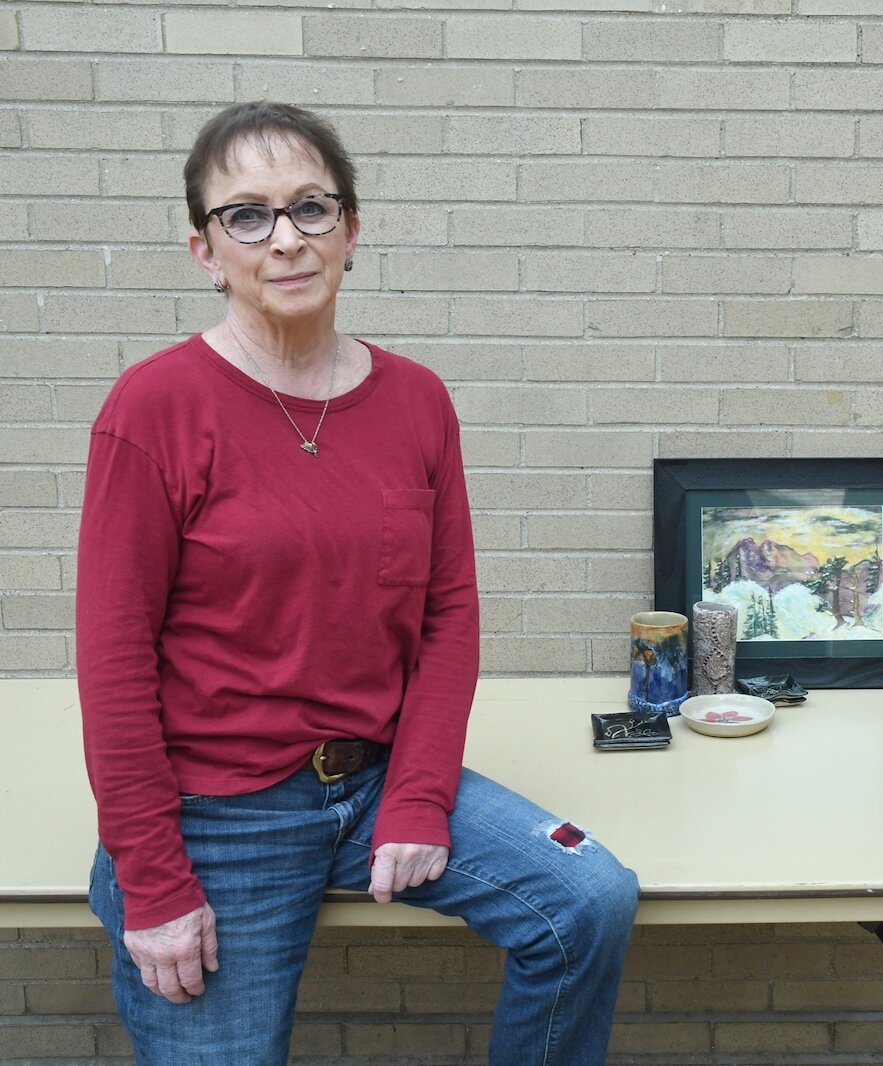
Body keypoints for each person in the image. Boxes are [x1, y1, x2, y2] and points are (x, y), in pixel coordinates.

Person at [75, 100, 640, 1064]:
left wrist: (419, 798)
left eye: (311, 208)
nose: (285, 239)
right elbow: (114, 661)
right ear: (205, 252)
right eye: (247, 216)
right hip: (224, 811)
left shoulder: (415, 400)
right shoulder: (156, 407)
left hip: (378, 779)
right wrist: (156, 882)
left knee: (586, 901)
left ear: (352, 232)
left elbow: (449, 614)